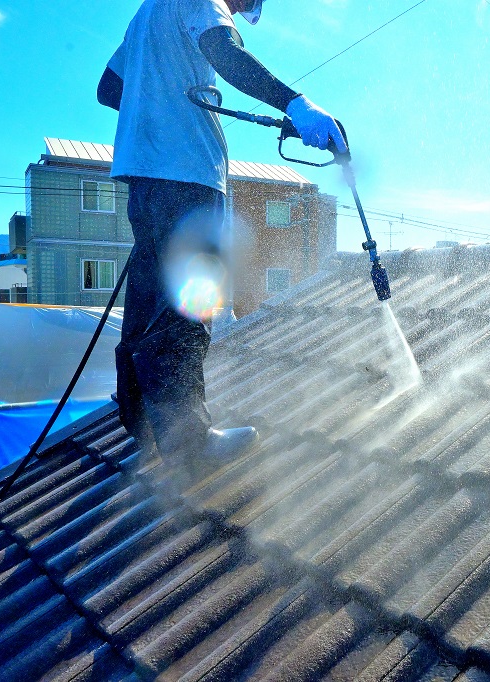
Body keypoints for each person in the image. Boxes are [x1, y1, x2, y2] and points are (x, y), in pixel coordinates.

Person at [97, 0, 346, 481]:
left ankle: (141, 418)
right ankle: (189, 443)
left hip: (144, 177)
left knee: (149, 296)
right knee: (191, 303)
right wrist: (296, 103)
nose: (242, 7)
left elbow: (108, 90)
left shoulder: (148, 12)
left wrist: (159, 95)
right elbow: (223, 51)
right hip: (188, 173)